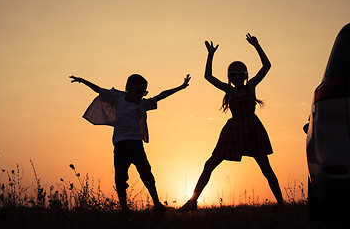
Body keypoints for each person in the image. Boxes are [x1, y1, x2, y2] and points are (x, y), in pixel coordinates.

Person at [177, 34, 284, 213]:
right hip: (233, 130)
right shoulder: (227, 89)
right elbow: (208, 76)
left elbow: (267, 66)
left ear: (246, 75)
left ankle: (281, 205)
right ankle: (192, 201)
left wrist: (257, 46)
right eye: (233, 74)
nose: (237, 77)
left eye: (241, 74)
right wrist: (210, 54)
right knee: (209, 164)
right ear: (229, 76)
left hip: (252, 129)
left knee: (266, 168)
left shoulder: (250, 86)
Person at [70, 73, 191, 214]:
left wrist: (181, 87)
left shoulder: (142, 104)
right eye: (140, 92)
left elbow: (161, 96)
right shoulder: (117, 97)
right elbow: (98, 89)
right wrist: (83, 80)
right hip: (121, 146)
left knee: (146, 173)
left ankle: (157, 205)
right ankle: (124, 209)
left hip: (136, 145)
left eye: (144, 92)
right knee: (120, 177)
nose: (142, 95)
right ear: (129, 89)